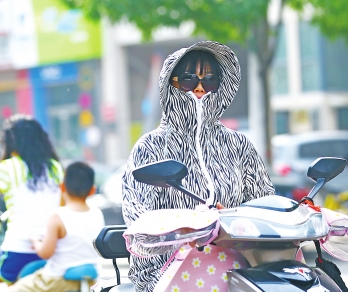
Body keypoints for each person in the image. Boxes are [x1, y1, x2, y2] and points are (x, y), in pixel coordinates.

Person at [122, 40, 276, 291]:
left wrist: (235, 220)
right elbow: (138, 222)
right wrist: (191, 227)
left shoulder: (237, 144)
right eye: (189, 80)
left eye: (211, 80)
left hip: (239, 264)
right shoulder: (150, 147)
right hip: (167, 269)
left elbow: (264, 204)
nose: (201, 88)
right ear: (169, 84)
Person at [8, 161, 105, 292]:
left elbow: (45, 253)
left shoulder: (58, 215)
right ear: (92, 190)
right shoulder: (97, 213)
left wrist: (36, 242)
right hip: (91, 280)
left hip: (57, 280)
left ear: (62, 187)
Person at [0, 114, 64, 285]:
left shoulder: (7, 168)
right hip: (51, 250)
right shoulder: (55, 168)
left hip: (17, 250)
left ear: (11, 142)